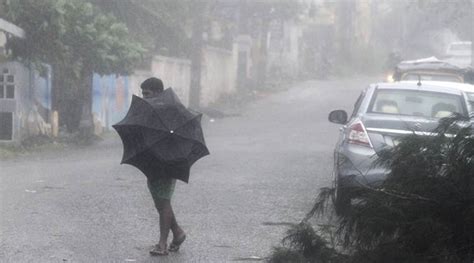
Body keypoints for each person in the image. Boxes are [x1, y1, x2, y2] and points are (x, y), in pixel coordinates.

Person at [140, 77, 186, 256]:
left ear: (158, 92)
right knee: (161, 202)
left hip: (166, 162)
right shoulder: (154, 109)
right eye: (142, 93)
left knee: (163, 202)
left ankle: (162, 244)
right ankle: (178, 232)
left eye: (147, 94)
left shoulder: (167, 111)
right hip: (155, 161)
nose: (144, 97)